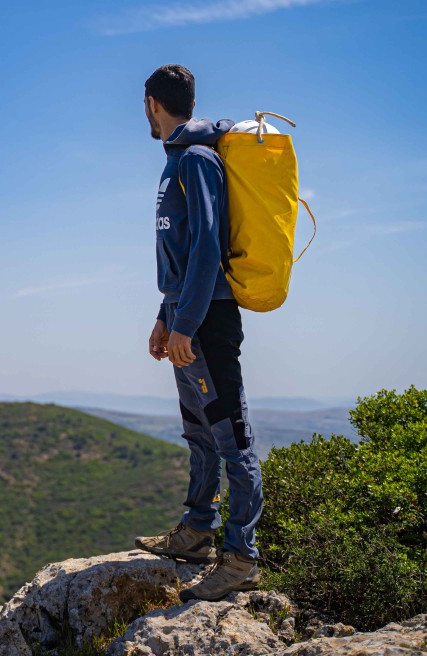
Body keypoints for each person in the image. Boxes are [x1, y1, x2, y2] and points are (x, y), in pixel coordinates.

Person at [133, 64, 264, 601]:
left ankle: (240, 559)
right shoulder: (174, 163)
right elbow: (181, 254)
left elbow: (208, 247)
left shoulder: (197, 160)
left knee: (232, 439)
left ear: (150, 103)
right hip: (187, 318)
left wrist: (186, 322)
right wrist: (166, 317)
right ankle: (195, 534)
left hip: (208, 322)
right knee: (199, 431)